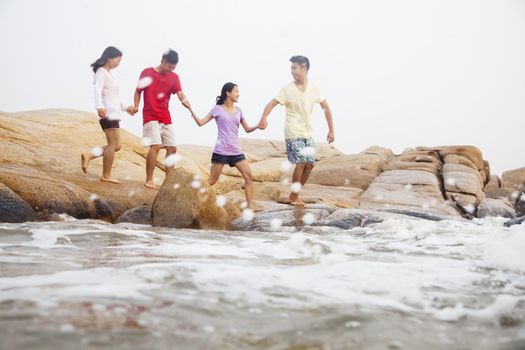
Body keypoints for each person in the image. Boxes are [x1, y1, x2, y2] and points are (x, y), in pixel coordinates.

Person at [258, 55, 335, 206]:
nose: (292, 71)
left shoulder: (315, 88)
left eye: (295, 68)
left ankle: (294, 195)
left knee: (310, 165)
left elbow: (326, 108)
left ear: (304, 68)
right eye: (291, 68)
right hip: (292, 130)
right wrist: (264, 117)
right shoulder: (286, 88)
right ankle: (295, 196)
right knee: (301, 162)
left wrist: (331, 130)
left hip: (307, 132)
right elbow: (273, 103)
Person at [189, 83, 260, 209]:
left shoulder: (239, 111)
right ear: (228, 93)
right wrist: (191, 110)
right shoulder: (217, 109)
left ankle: (250, 207)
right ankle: (191, 197)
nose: (238, 94)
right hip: (221, 151)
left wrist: (258, 126)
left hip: (235, 151)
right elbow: (201, 123)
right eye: (236, 91)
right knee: (212, 180)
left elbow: (247, 129)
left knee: (249, 177)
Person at [133, 49, 193, 189]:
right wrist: (136, 106)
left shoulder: (174, 77)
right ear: (162, 61)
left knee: (172, 148)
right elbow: (138, 91)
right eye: (169, 66)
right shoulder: (147, 72)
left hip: (165, 116)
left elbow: (179, 92)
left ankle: (169, 181)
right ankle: (149, 180)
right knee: (156, 146)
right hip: (150, 115)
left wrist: (184, 100)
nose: (170, 69)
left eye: (173, 67)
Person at [81, 46, 135, 183]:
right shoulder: (101, 72)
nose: (118, 63)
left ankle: (89, 155)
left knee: (117, 146)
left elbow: (114, 97)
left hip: (114, 113)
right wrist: (99, 107)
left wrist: (126, 107)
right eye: (118, 60)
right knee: (112, 145)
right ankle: (106, 175)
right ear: (109, 58)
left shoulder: (109, 74)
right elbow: (97, 91)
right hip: (108, 113)